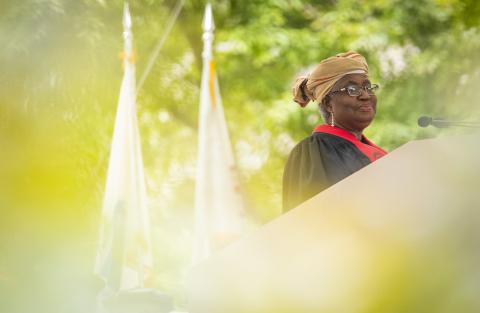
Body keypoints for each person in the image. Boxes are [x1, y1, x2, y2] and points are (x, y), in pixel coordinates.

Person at [283, 51, 387, 211]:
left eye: (368, 87)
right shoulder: (312, 152)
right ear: (328, 104)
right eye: (352, 89)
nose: (366, 95)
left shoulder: (373, 150)